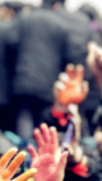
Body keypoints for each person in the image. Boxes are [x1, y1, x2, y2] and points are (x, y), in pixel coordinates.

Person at [10, 0, 88, 139]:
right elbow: (67, 54)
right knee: (44, 118)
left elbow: (11, 43)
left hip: (24, 76)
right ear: (56, 5)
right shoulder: (62, 24)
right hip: (48, 80)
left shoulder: (25, 18)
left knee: (24, 114)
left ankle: (23, 153)